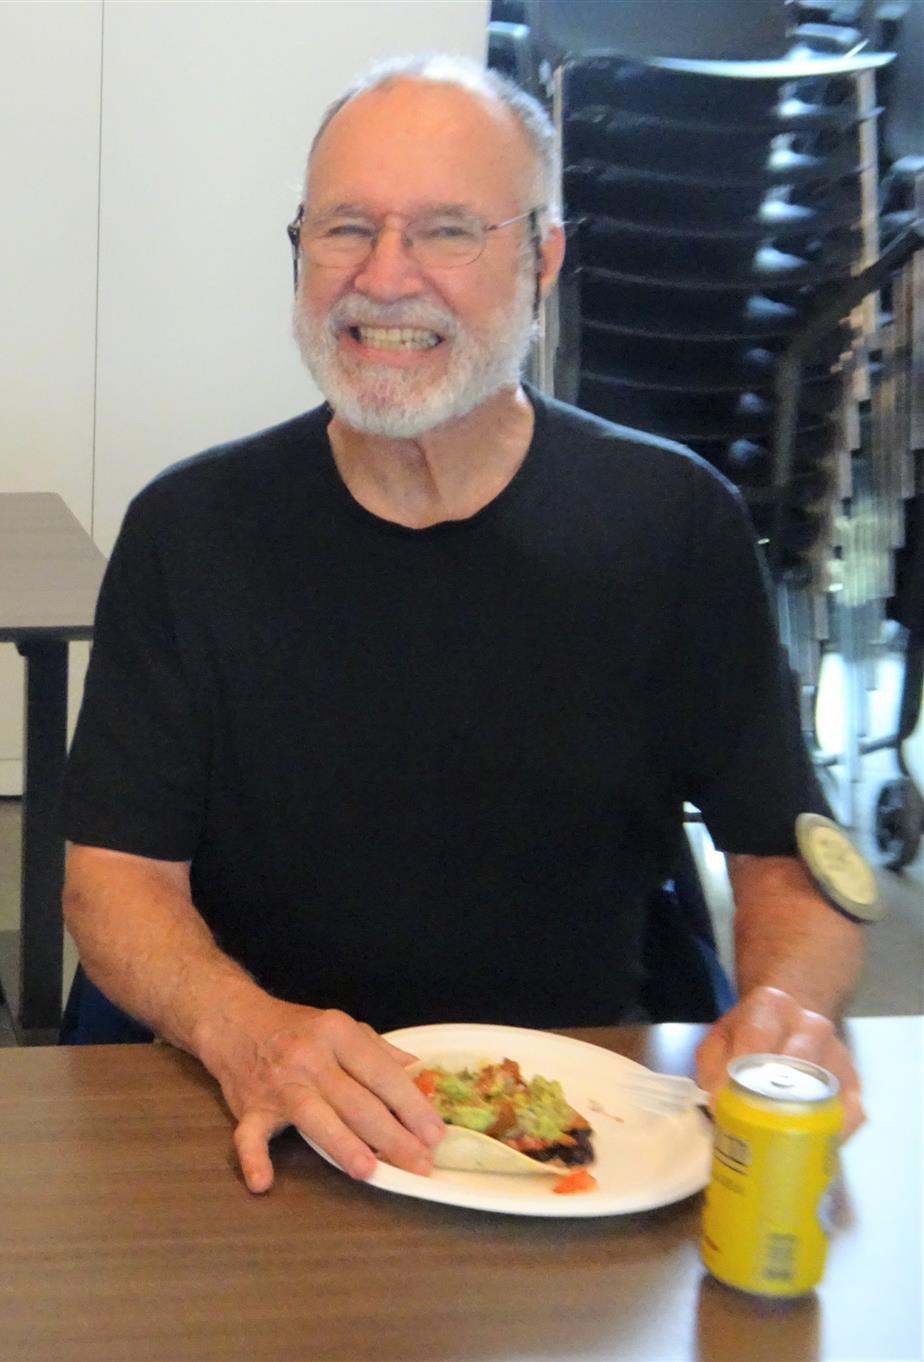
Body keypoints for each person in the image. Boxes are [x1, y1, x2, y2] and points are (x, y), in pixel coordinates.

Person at [60, 56, 866, 1195]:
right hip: (267, 1115)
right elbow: (113, 879)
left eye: (447, 232)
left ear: (542, 259)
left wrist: (783, 1012)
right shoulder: (189, 531)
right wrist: (244, 1029)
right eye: (345, 229)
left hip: (589, 1113)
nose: (385, 279)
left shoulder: (673, 524)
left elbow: (784, 851)